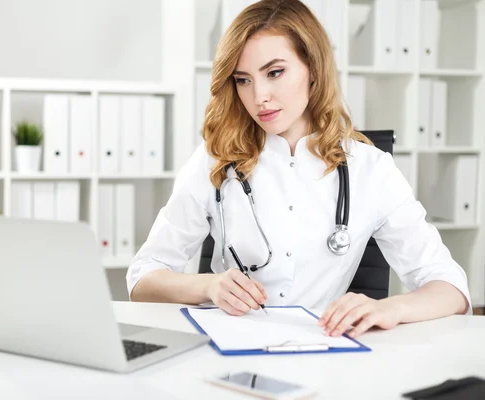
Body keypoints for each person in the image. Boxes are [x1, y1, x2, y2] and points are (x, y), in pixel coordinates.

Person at [126, 0, 471, 338]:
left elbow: (451, 287)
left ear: (314, 69)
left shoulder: (371, 169)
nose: (258, 96)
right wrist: (209, 286)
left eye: (274, 73)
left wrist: (389, 309)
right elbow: (142, 279)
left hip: (321, 354)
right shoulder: (215, 159)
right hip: (228, 348)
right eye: (243, 79)